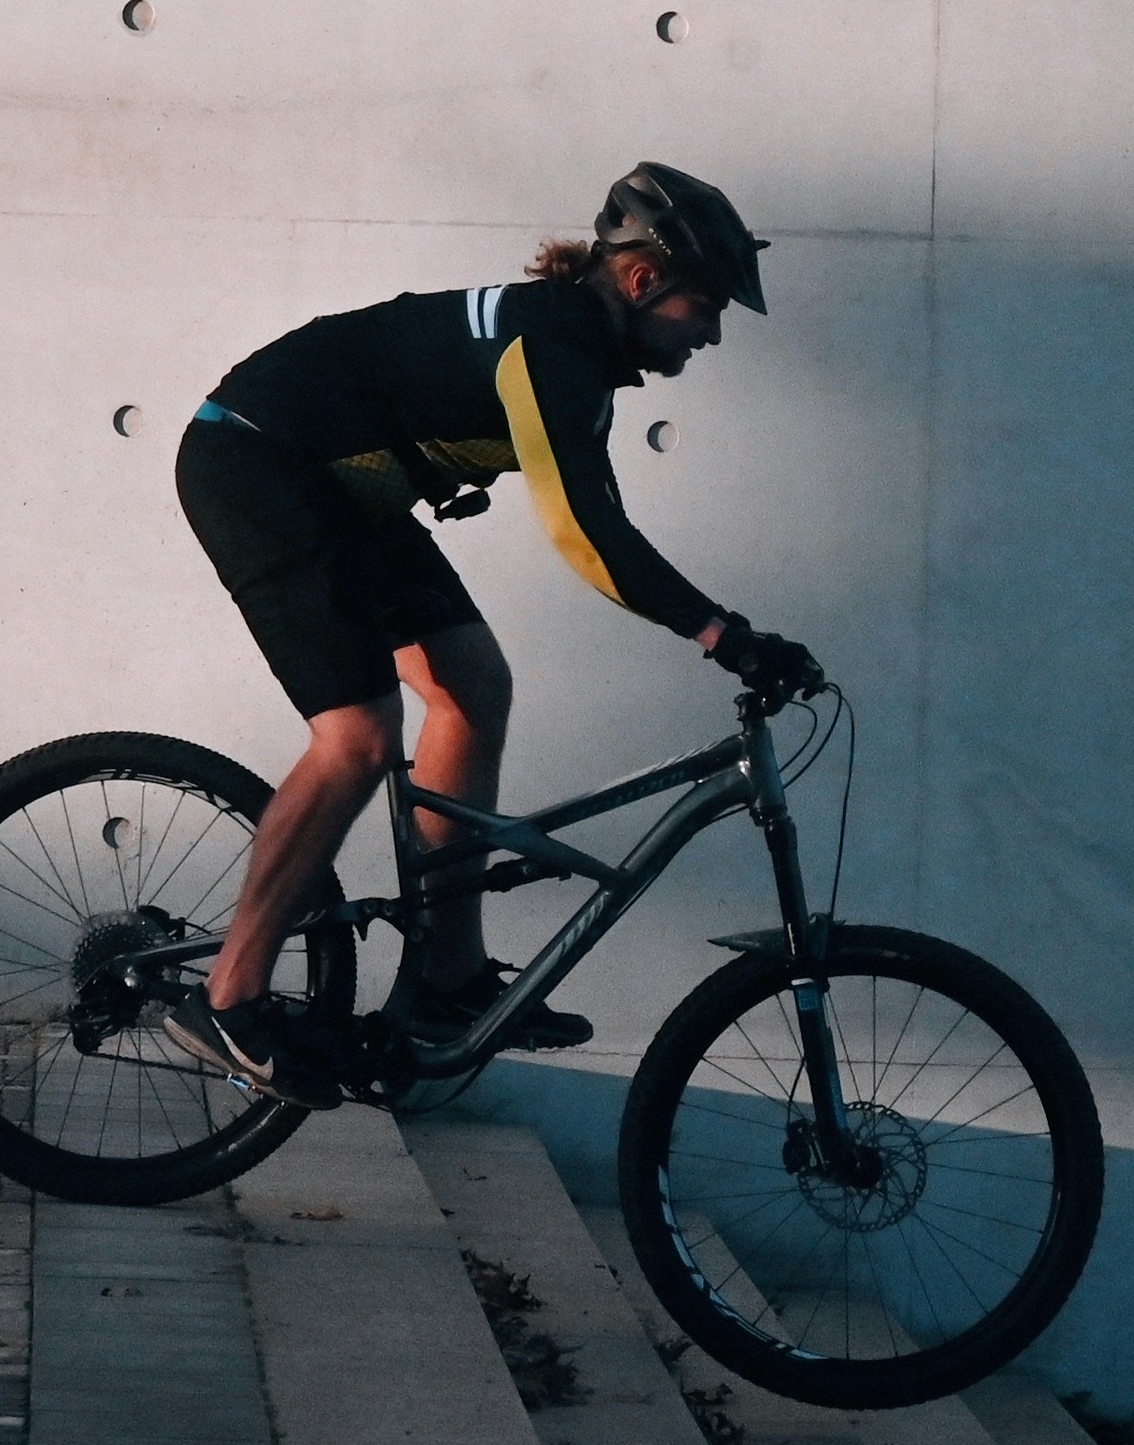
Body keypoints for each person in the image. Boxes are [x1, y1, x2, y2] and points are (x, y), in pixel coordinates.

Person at [159, 162, 824, 1102]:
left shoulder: (575, 345)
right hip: (258, 461)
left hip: (347, 488)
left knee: (473, 685)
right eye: (705, 306)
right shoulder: (553, 349)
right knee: (358, 738)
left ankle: (446, 978)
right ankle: (229, 1002)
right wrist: (722, 633)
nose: (712, 333)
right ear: (642, 281)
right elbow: (586, 535)